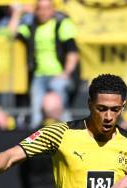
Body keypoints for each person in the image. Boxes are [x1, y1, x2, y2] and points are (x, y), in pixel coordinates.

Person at [14, 0, 80, 128]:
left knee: (59, 107)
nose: (44, 12)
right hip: (39, 76)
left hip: (58, 75)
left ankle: (69, 132)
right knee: (36, 114)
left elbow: (72, 51)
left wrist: (66, 73)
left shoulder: (62, 24)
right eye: (40, 8)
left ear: (53, 9)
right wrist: (18, 13)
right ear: (36, 10)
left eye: (47, 8)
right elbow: (12, 33)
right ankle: (36, 140)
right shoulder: (31, 25)